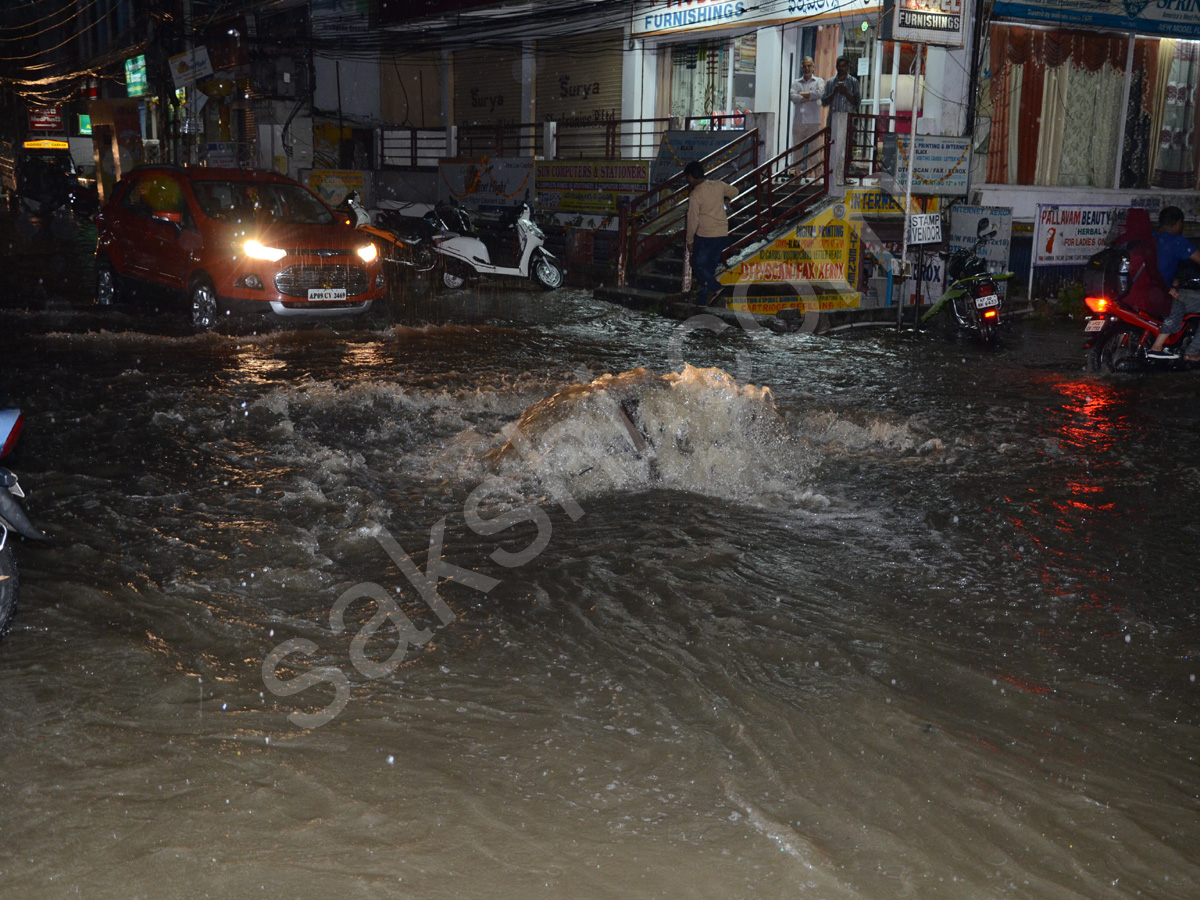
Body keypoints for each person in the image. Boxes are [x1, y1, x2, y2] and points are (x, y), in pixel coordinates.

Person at [1147, 205, 1200, 361]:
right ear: (1178, 223)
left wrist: (1173, 281)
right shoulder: (1177, 241)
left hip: (1147, 289)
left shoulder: (1150, 237)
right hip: (1160, 294)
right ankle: (1192, 352)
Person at [684, 160, 738, 306]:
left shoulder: (696, 195)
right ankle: (702, 301)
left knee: (698, 265)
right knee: (708, 269)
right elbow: (735, 191)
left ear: (690, 177)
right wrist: (726, 198)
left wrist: (690, 241)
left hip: (706, 236)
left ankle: (716, 288)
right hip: (722, 234)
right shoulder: (718, 185)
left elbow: (692, 220)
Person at [821, 56, 861, 187]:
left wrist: (846, 93)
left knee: (847, 149)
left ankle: (845, 175)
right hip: (833, 122)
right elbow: (824, 102)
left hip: (849, 122)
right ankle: (832, 176)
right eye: (839, 65)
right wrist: (834, 93)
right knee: (832, 148)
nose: (841, 68)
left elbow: (857, 102)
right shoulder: (831, 82)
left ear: (848, 67)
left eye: (844, 65)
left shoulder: (853, 82)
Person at [788, 57, 824, 176]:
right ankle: (797, 175)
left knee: (814, 151)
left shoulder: (819, 81)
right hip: (798, 122)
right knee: (797, 150)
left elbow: (820, 93)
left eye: (809, 66)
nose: (807, 68)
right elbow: (793, 97)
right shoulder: (796, 82)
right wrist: (810, 97)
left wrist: (803, 96)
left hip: (814, 122)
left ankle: (817, 177)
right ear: (801, 67)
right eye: (804, 66)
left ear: (813, 67)